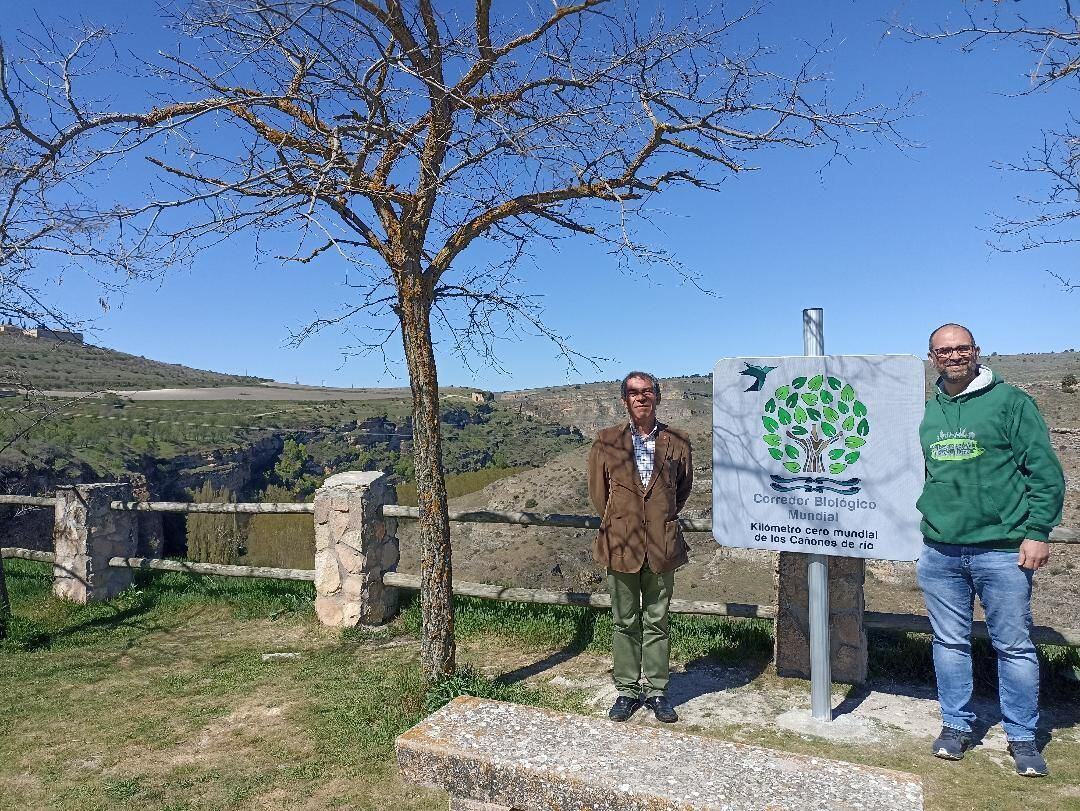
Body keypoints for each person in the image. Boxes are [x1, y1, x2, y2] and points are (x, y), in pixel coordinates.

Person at [916, 323, 1065, 777]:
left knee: (1014, 646)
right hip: (940, 549)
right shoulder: (930, 411)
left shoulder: (1011, 402)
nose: (954, 356)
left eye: (962, 349)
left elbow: (1045, 472)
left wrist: (1038, 531)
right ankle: (956, 727)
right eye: (944, 351)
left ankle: (1022, 738)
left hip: (1001, 550)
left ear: (976, 352)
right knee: (948, 642)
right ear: (932, 357)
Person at [588, 371, 693, 723]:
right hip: (621, 543)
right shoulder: (606, 442)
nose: (641, 397)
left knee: (658, 619)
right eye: (634, 393)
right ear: (624, 400)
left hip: (662, 546)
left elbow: (681, 490)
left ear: (658, 397)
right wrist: (624, 519)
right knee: (624, 620)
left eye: (647, 391)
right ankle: (627, 691)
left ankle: (658, 690)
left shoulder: (678, 441)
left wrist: (658, 517)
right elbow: (598, 495)